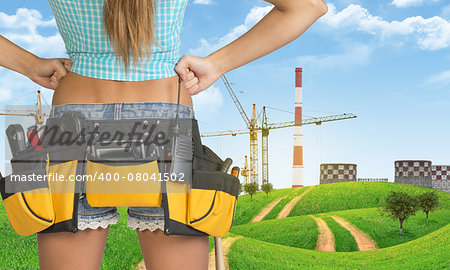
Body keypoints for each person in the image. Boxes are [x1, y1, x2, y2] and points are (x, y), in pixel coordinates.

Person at [0, 0, 328, 269]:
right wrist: (217, 64)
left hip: (75, 116)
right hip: (167, 116)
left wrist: (29, 64)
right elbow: (307, 7)